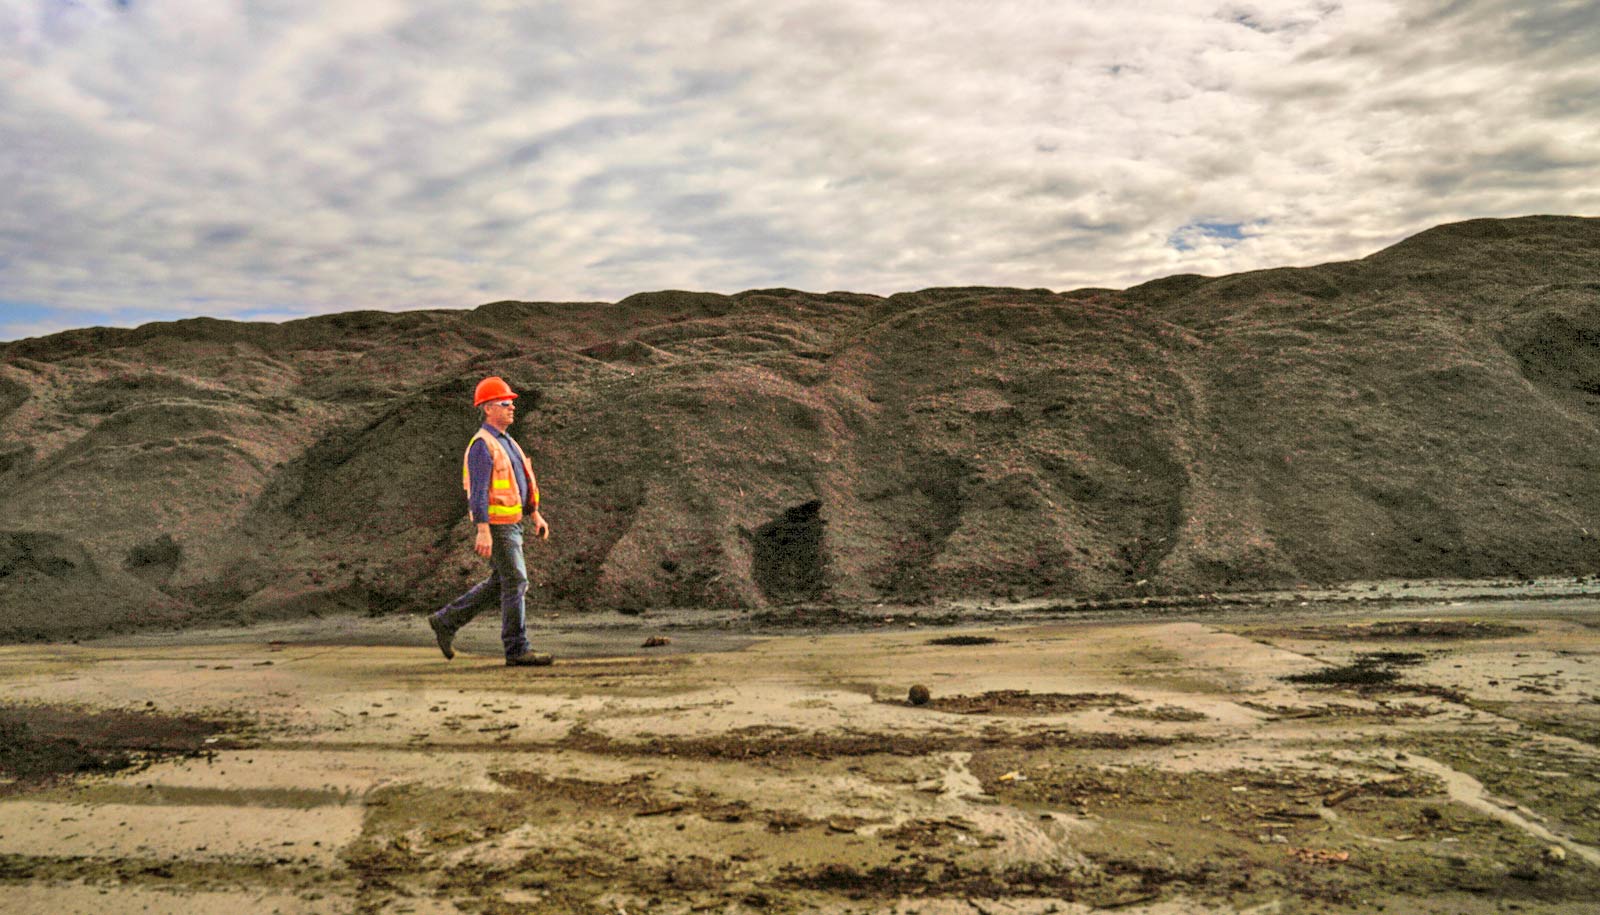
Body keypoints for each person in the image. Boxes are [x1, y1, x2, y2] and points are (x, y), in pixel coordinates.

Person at [428, 376, 552, 666]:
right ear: (487, 408)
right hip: (498, 527)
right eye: (505, 403)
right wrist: (482, 529)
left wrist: (534, 513)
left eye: (512, 403)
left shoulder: (507, 442)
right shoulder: (482, 446)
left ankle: (446, 621)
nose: (512, 408)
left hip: (514, 523)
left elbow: (520, 481)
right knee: (516, 580)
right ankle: (517, 649)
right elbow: (479, 492)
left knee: (502, 582)